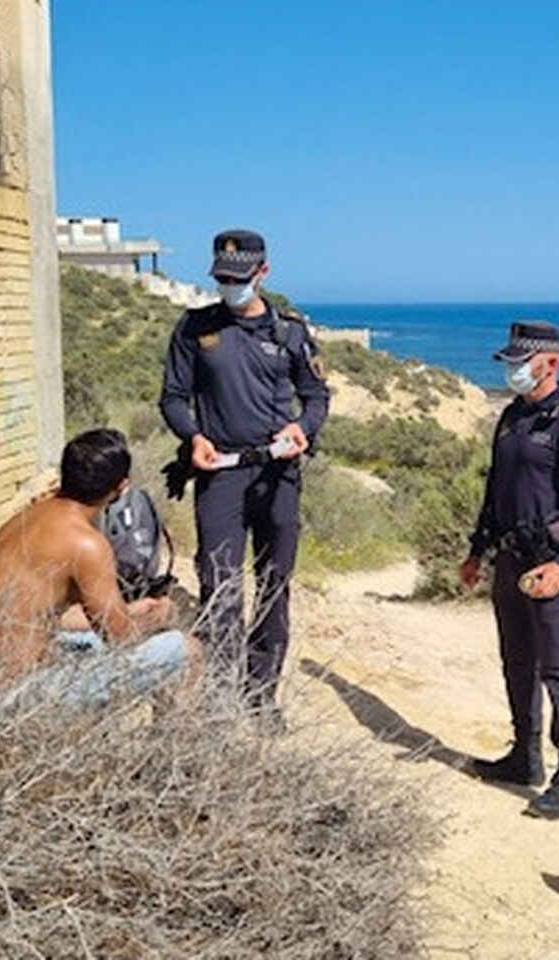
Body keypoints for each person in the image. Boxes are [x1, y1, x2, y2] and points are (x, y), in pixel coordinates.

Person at [159, 229, 329, 709]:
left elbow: (316, 397)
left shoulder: (290, 333)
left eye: (240, 277)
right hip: (220, 475)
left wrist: (303, 429)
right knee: (220, 584)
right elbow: (172, 397)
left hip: (277, 476)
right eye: (222, 278)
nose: (230, 286)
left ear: (263, 273)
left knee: (274, 586)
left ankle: (261, 695)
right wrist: (192, 436)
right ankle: (219, 692)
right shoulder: (194, 329)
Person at [460, 321, 559, 819]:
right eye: (509, 363)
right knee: (517, 662)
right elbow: (494, 492)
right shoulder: (511, 418)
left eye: (519, 363)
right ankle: (523, 758)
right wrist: (477, 551)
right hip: (510, 562)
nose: (512, 371)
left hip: (550, 568)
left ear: (551, 363)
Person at [0, 429, 199, 706]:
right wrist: (157, 617)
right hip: (22, 692)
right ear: (122, 487)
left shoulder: (25, 517)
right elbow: (121, 639)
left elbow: (39, 612)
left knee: (92, 642)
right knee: (188, 648)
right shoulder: (86, 544)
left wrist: (129, 611)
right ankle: (170, 740)